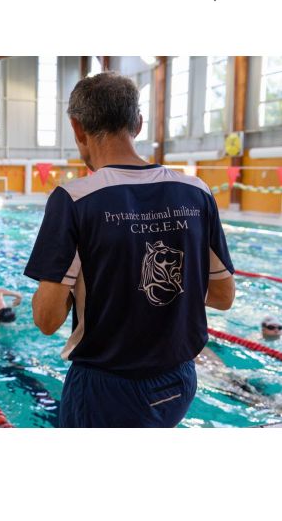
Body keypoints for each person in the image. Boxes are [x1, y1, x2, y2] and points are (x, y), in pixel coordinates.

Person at [24, 72, 236, 428]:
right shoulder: (196, 192)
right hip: (180, 381)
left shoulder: (74, 200)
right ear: (138, 123)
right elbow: (222, 295)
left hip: (107, 389)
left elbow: (47, 320)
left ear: (77, 128)